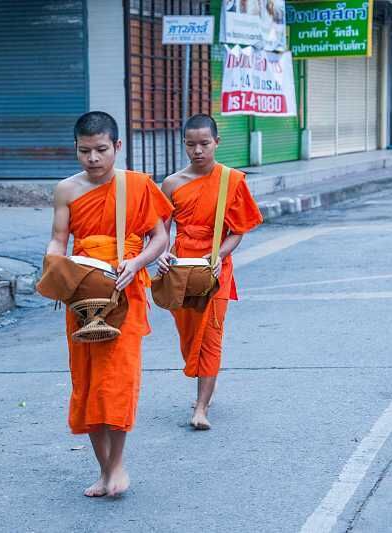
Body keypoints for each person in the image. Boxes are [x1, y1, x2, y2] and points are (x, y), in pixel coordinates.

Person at [45, 111, 172, 497]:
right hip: (82, 295)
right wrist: (54, 268)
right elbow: (57, 239)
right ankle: (104, 470)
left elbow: (159, 237)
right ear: (75, 149)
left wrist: (137, 263)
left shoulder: (136, 185)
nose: (94, 159)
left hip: (125, 294)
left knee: (116, 382)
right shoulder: (66, 190)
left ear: (117, 146)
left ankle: (117, 465)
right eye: (85, 151)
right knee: (86, 384)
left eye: (101, 150)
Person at [158, 114, 263, 430]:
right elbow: (160, 230)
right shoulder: (172, 184)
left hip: (214, 267)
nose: (198, 151)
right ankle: (205, 383)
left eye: (204, 143)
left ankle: (201, 407)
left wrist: (219, 255)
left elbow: (238, 230)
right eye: (191, 144)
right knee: (190, 335)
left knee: (210, 335)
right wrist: (162, 254)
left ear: (217, 142)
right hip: (180, 267)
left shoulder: (231, 180)